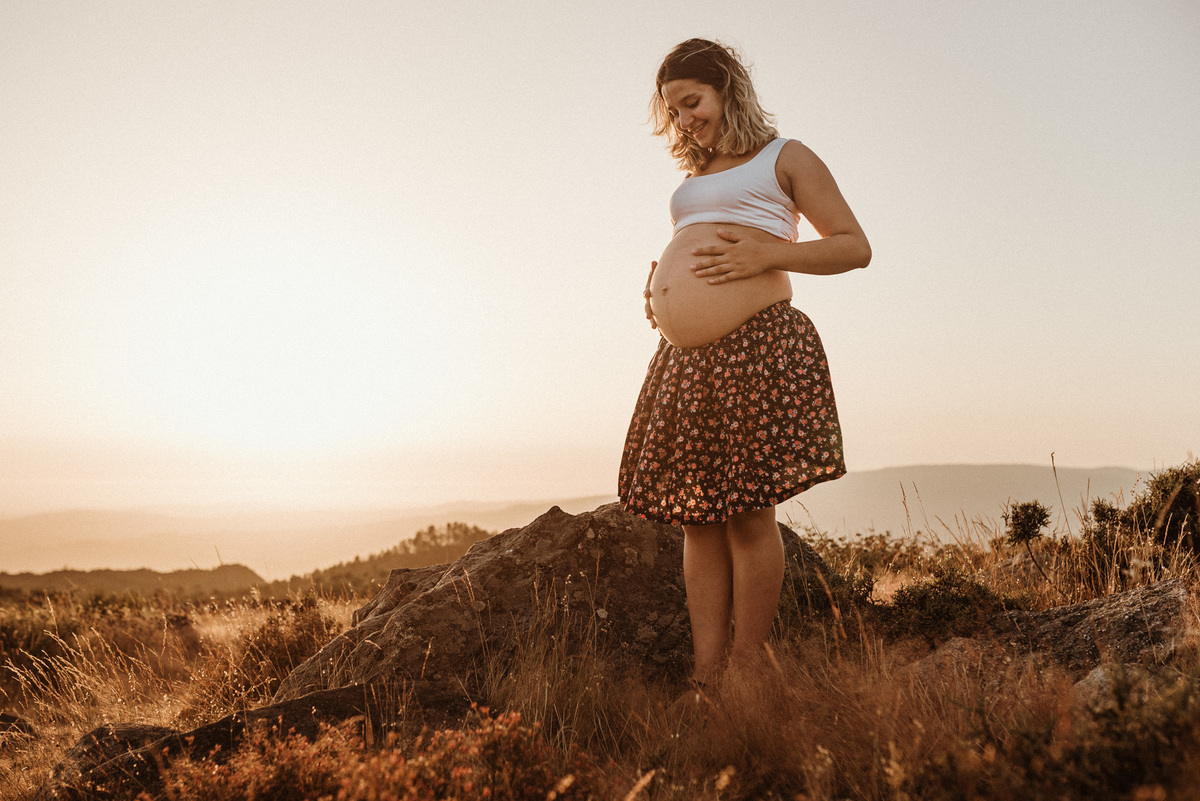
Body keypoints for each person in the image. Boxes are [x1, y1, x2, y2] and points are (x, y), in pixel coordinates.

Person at [618, 38, 870, 686]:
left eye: (692, 102)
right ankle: (708, 676)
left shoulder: (785, 157)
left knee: (750, 515)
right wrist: (662, 292)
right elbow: (698, 246)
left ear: (728, 88)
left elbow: (853, 247)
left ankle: (748, 672)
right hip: (689, 361)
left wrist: (767, 254)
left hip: (756, 347)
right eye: (673, 112)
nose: (684, 120)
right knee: (698, 519)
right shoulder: (693, 181)